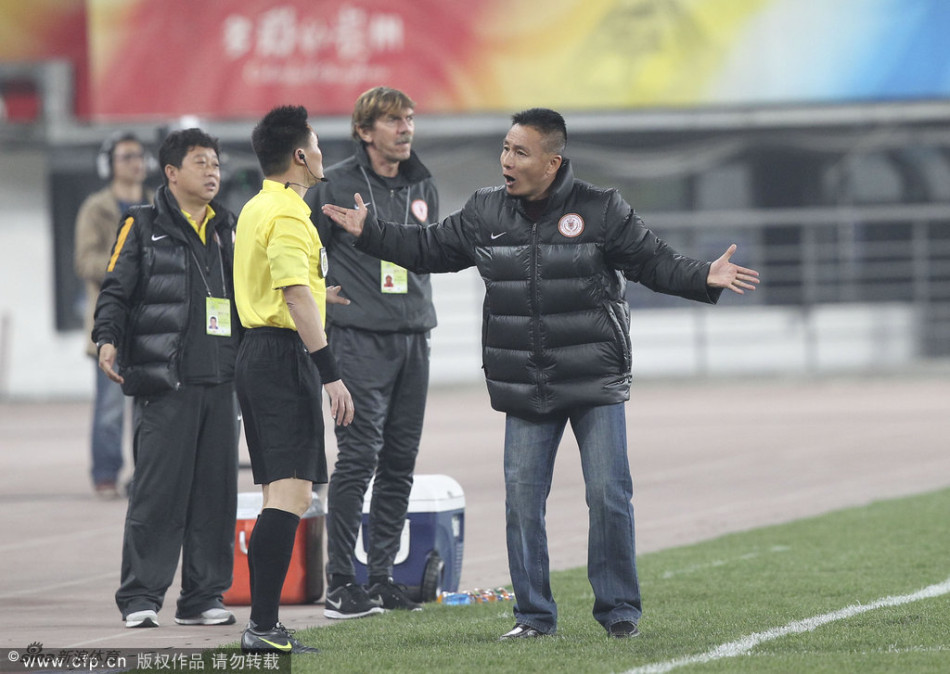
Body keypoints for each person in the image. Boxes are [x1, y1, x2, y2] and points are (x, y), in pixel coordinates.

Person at [321, 108, 760, 640]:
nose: (506, 160)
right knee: (523, 504)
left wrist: (704, 277)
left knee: (608, 496)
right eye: (505, 149)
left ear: (552, 162)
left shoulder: (601, 209)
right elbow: (428, 248)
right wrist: (371, 232)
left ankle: (619, 611)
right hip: (523, 384)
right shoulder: (485, 210)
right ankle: (533, 616)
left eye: (520, 152)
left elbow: (653, 261)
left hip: (594, 378)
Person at [92, 128, 240, 629]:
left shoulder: (230, 228)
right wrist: (106, 337)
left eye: (216, 163)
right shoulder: (140, 225)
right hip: (164, 382)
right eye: (201, 162)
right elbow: (114, 290)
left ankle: (202, 597)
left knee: (215, 496)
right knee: (158, 495)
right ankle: (140, 598)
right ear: (172, 173)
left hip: (221, 383)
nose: (213, 171)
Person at [306, 86, 439, 617]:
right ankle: (341, 581)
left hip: (414, 337)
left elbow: (432, 251)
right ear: (364, 131)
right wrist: (319, 304)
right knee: (358, 458)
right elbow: (304, 257)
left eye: (409, 118)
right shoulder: (333, 183)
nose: (405, 128)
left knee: (400, 463)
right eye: (392, 121)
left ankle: (381, 577)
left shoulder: (423, 182)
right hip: (358, 339)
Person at [233, 105, 356, 654]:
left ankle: (264, 627)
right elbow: (290, 295)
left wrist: (318, 297)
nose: (323, 153)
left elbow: (287, 286)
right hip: (281, 358)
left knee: (280, 496)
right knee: (290, 495)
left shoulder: (259, 207)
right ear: (301, 156)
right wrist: (331, 375)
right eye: (317, 144)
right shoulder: (286, 214)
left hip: (261, 353)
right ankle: (261, 628)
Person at [74, 132, 153, 499]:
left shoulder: (157, 203)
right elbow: (84, 260)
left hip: (151, 322)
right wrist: (122, 269)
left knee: (148, 408)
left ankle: (144, 476)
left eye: (139, 155)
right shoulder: (97, 207)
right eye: (127, 156)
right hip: (110, 321)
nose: (136, 162)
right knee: (109, 409)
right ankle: (105, 474)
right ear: (110, 164)